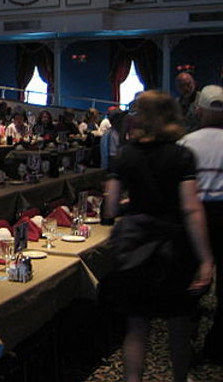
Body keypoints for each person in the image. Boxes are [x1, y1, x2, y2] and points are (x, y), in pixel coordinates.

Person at [103, 91, 213, 382]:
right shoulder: (182, 155)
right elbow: (191, 209)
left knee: (136, 326)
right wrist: (205, 259)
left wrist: (133, 203)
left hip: (134, 247)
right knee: (179, 323)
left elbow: (112, 206)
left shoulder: (125, 155)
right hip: (173, 248)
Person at [178, 84, 223, 363]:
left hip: (195, 214)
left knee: (191, 279)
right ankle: (217, 345)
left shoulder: (186, 144)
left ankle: (186, 340)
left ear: (198, 110)